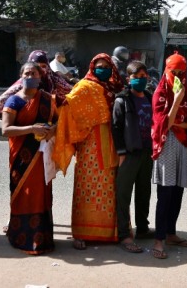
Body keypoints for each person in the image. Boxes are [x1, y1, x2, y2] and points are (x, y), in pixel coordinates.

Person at [53, 53, 124, 250]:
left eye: (107, 66)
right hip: (89, 145)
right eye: (100, 66)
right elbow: (69, 104)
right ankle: (82, 232)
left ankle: (109, 232)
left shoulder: (113, 88)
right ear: (93, 68)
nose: (104, 69)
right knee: (86, 187)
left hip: (110, 142)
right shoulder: (85, 86)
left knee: (109, 187)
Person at [1, 62, 58, 255]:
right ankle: (20, 236)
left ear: (40, 78)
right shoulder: (14, 101)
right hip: (22, 159)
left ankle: (42, 238)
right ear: (21, 76)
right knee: (23, 194)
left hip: (42, 157)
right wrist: (32, 129)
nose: (31, 76)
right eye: (27, 73)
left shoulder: (47, 100)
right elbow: (5, 130)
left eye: (34, 73)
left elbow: (58, 121)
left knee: (41, 195)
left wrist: (52, 131)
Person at [150, 52, 187, 259]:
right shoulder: (161, 92)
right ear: (166, 70)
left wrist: (176, 119)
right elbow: (163, 124)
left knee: (178, 193)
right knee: (165, 194)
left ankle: (171, 233)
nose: (178, 75)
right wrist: (177, 101)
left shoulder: (185, 91)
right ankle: (159, 240)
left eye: (182, 72)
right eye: (174, 71)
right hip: (166, 146)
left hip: (182, 146)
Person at [112, 60, 154, 254]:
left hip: (148, 152)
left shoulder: (149, 96)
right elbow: (116, 128)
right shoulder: (121, 100)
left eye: (143, 77)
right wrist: (121, 153)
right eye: (136, 77)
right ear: (128, 79)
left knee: (144, 192)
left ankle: (143, 228)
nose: (140, 80)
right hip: (129, 153)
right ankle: (124, 234)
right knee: (123, 194)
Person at [0, 50, 72, 113]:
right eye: (37, 67)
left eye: (43, 66)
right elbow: (3, 99)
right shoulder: (23, 82)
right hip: (26, 122)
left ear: (48, 66)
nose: (41, 70)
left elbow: (71, 94)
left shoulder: (55, 81)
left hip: (51, 121)